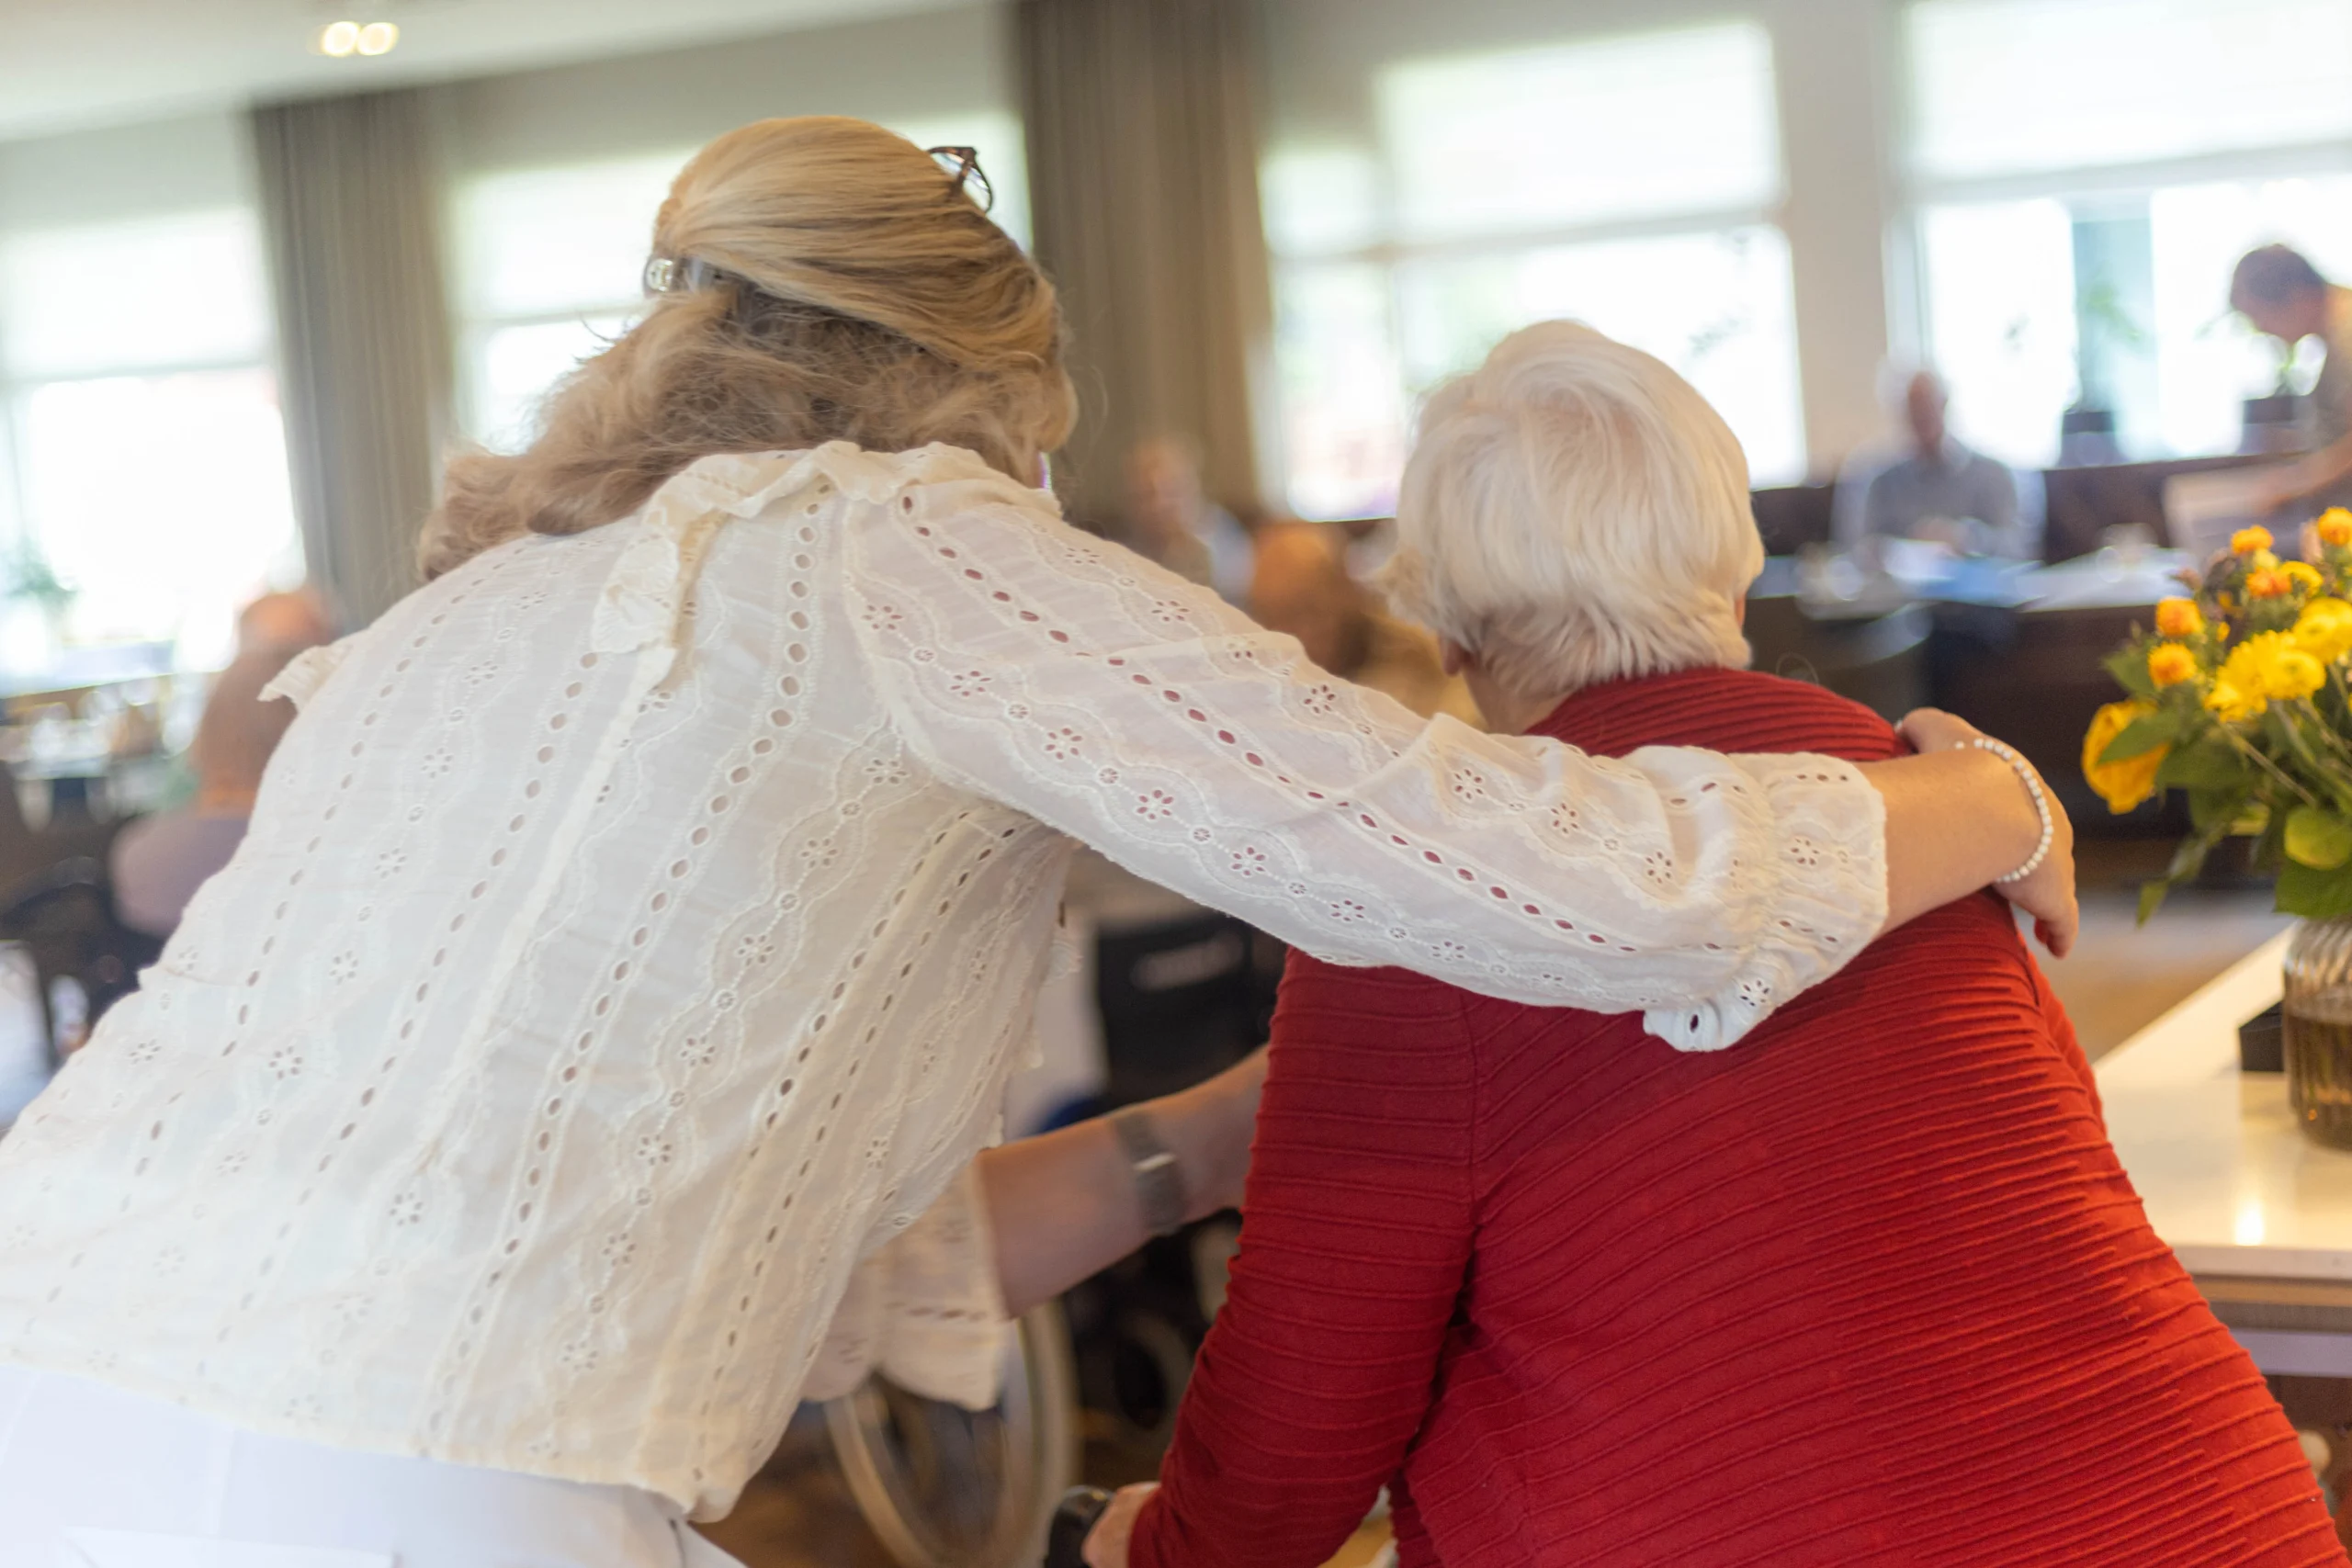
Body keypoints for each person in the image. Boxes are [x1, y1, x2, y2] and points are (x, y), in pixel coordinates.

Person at [0, 120, 2071, 1567]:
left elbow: (739, 1234)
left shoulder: (480, 609)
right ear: (985, 394)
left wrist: (1251, 1124)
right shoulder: (909, 539)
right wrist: (1979, 794)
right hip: (395, 1473)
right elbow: (1576, 875)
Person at [1086, 324, 2337, 1568]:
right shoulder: (1927, 796)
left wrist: (1143, 1542)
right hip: (2219, 1507)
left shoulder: (1415, 890)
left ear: (1455, 636)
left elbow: (1294, 1428)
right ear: (1734, 585)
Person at [108, 592, 337, 937]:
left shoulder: (140, 853)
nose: (310, 665)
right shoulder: (318, 854)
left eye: (322, 645)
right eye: (290, 650)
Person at [1248, 522, 1477, 725]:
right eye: (1273, 620)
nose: (1294, 637)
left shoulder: (1418, 657)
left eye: (1306, 612)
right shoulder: (1264, 691)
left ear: (1345, 591)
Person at [1834, 368, 2034, 559]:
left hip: (1980, 593)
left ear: (1944, 404)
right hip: (1903, 594)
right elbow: (1857, 550)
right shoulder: (1880, 481)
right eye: (1913, 406)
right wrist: (1896, 551)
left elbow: (2019, 550)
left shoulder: (1993, 475)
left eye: (1927, 404)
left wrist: (1967, 539)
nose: (1921, 414)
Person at [2233, 244, 2352, 517]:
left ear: (2297, 297)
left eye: (2259, 315)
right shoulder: (2336, 326)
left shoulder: (2347, 333)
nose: (2262, 329)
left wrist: (2295, 482)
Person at [1123, 434, 1254, 602]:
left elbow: (1236, 600)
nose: (1159, 505)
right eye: (1146, 495)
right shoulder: (1133, 547)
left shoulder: (1221, 538)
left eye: (1171, 491)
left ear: (1193, 486)